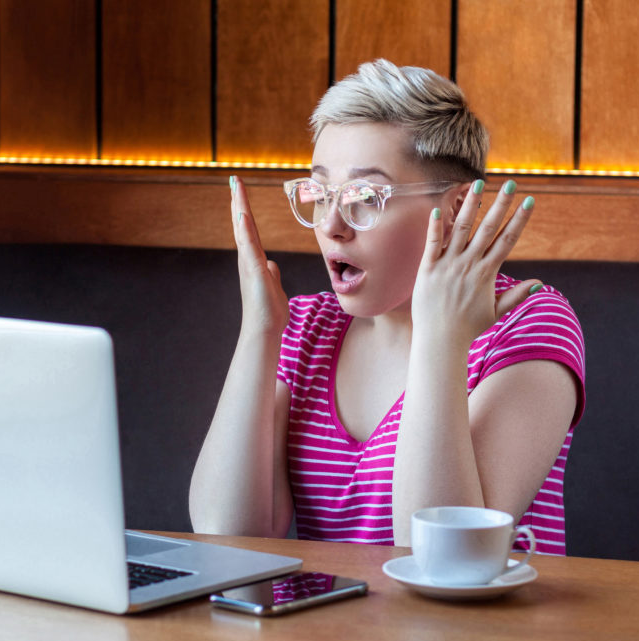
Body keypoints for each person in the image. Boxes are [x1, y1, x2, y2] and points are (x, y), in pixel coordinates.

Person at [189, 59, 585, 553]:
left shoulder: (526, 321)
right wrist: (260, 333)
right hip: (315, 630)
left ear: (458, 206)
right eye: (320, 192)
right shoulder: (308, 326)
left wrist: (441, 338)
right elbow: (226, 535)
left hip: (477, 632)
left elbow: (445, 558)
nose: (331, 224)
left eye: (364, 196)